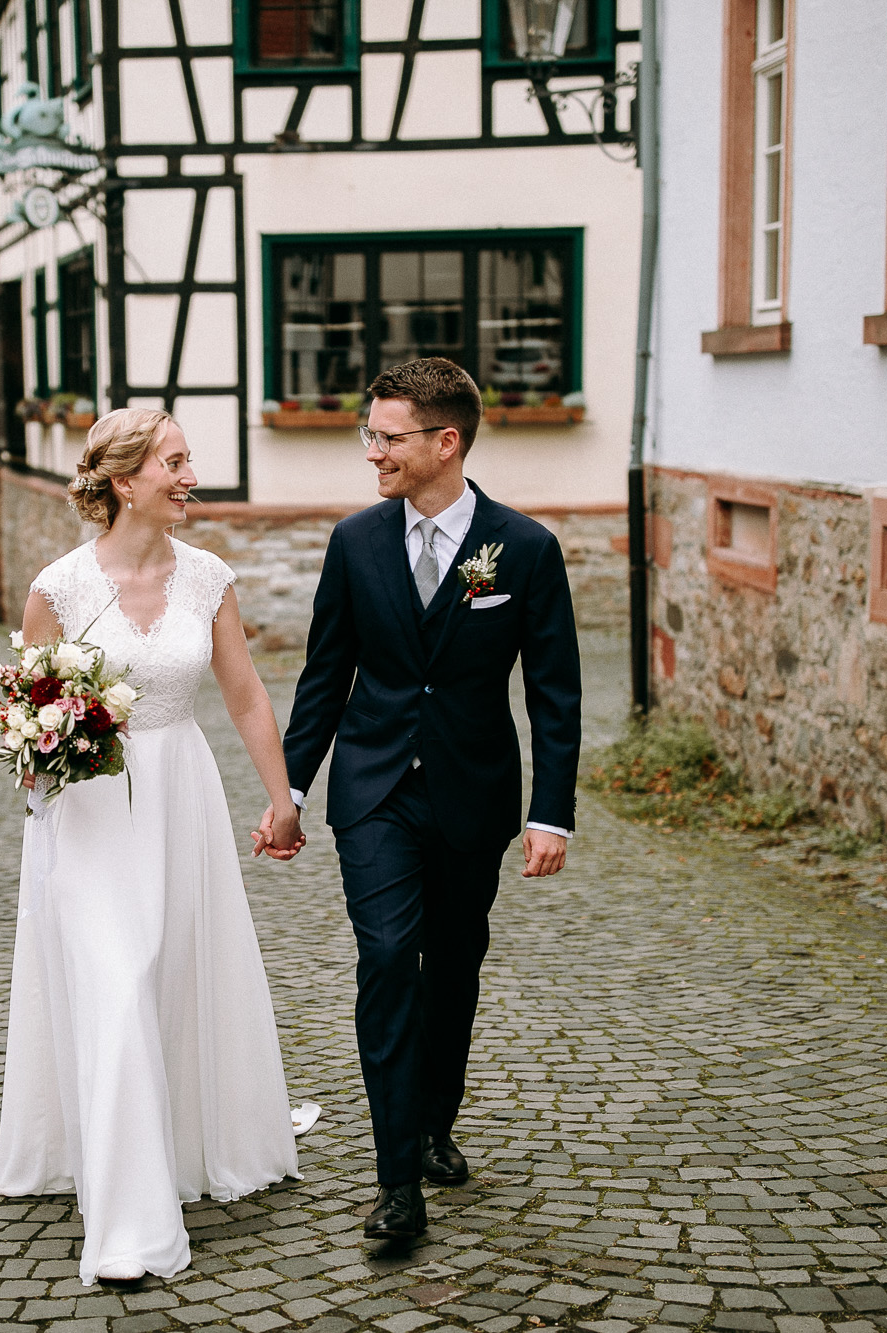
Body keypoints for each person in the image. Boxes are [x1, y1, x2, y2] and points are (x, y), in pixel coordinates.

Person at [0, 408, 306, 1286]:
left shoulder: (208, 579)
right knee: (119, 985)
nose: (190, 473)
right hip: (88, 815)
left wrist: (283, 797)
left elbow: (242, 695)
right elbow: (23, 715)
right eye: (175, 461)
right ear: (125, 482)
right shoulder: (59, 588)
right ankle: (130, 1227)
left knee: (170, 976)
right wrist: (45, 754)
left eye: (187, 459)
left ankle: (180, 1143)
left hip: (181, 796)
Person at [263, 357, 582, 1242]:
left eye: (387, 436)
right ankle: (396, 1179)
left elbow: (555, 692)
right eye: (370, 434)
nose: (373, 453)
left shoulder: (524, 550)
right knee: (388, 957)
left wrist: (550, 812)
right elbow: (325, 675)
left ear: (446, 442)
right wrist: (289, 788)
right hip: (372, 792)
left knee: (453, 967)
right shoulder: (355, 542)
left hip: (472, 796)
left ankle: (436, 1118)